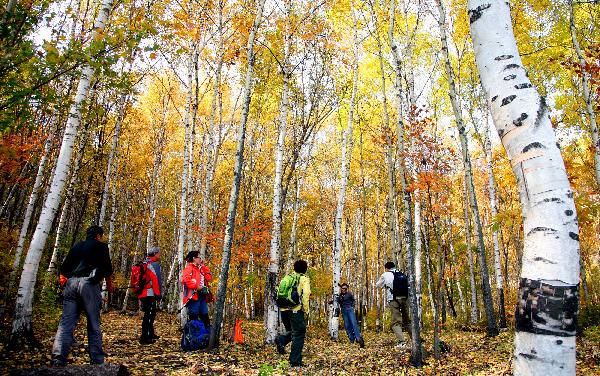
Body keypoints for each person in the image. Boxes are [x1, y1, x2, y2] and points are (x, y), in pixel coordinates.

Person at [52, 225, 114, 366]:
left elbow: (64, 269)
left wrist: (65, 283)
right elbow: (107, 269)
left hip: (71, 283)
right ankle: (97, 361)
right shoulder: (101, 247)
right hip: (89, 284)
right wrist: (109, 287)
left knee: (66, 323)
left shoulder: (77, 246)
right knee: (93, 323)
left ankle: (58, 358)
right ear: (99, 235)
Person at [274, 260, 311, 368]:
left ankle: (281, 340)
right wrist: (306, 309)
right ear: (305, 269)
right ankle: (295, 361)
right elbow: (306, 294)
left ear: (294, 268)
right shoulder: (304, 278)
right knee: (299, 333)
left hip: (283, 310)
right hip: (295, 310)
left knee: (293, 331)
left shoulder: (287, 277)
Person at [376, 261, 410, 349]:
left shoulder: (385, 274)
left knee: (396, 321)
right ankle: (416, 339)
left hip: (393, 299)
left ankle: (401, 342)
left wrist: (386, 285)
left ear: (386, 268)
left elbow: (378, 285)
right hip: (405, 298)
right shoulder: (401, 274)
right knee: (407, 320)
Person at [138, 246, 162, 344]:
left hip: (143, 292)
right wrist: (159, 294)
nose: (159, 255)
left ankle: (150, 333)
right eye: (159, 253)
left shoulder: (144, 263)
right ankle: (145, 338)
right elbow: (157, 281)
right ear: (155, 254)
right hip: (150, 293)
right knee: (149, 315)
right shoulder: (154, 265)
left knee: (149, 314)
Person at [329, 283, 364, 347]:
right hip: (344, 310)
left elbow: (353, 300)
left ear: (346, 289)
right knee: (347, 325)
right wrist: (331, 302)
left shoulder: (349, 294)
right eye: (343, 288)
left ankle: (358, 339)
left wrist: (352, 306)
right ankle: (351, 339)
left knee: (353, 323)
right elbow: (336, 301)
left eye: (345, 288)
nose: (344, 289)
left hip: (350, 309)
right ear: (341, 289)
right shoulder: (339, 296)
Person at [182, 251, 210, 328]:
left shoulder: (200, 269)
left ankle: (206, 336)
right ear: (194, 258)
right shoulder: (189, 268)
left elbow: (209, 278)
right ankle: (192, 337)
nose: (200, 259)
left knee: (205, 316)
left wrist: (203, 267)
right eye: (199, 257)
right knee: (193, 317)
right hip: (193, 297)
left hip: (202, 296)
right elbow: (186, 281)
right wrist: (198, 287)